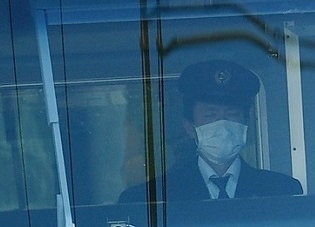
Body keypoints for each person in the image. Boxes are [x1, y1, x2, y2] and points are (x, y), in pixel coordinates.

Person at [121, 59, 301, 205]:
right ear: (190, 127)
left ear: (245, 125)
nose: (222, 124)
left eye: (231, 114)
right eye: (210, 115)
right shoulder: (152, 199)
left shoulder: (282, 191)